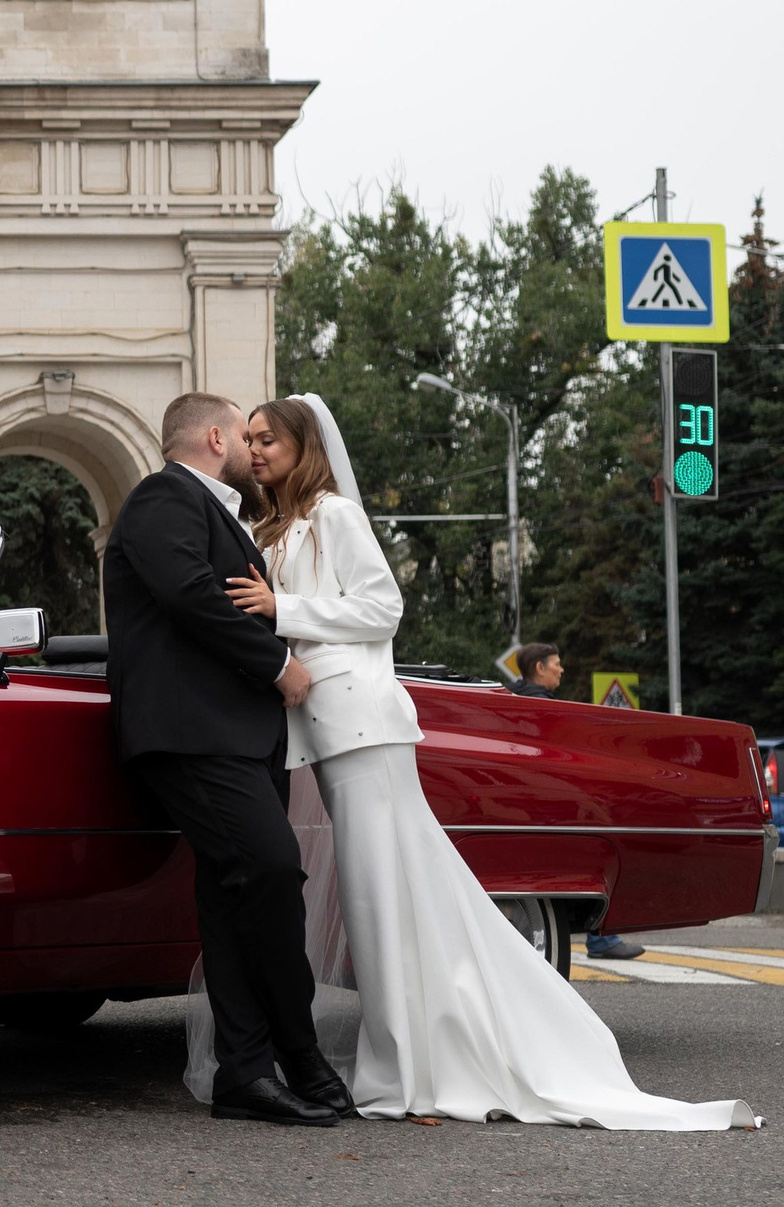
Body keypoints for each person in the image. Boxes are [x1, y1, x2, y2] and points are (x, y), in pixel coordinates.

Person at [222, 395, 754, 1128]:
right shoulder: (276, 524)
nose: (255, 450)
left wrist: (282, 610)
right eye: (248, 439)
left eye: (267, 439)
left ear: (302, 444)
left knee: (383, 902)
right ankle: (405, 1055)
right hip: (327, 730)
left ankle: (405, 1066)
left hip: (364, 728)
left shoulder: (335, 514)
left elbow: (383, 607)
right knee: (386, 903)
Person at [104, 392, 348, 1126]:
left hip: (234, 740)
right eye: (246, 436)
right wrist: (278, 667)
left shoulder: (218, 513)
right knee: (272, 871)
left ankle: (246, 1071)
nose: (255, 450)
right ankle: (297, 1053)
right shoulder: (163, 496)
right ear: (215, 436)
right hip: (191, 736)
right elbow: (191, 594)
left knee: (236, 893)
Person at [506, 646, 645, 960]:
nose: (562, 669)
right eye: (557, 664)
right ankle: (601, 938)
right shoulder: (543, 707)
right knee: (600, 856)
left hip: (528, 805)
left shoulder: (515, 700)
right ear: (540, 668)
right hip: (551, 806)